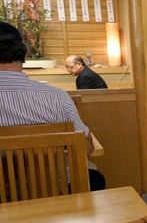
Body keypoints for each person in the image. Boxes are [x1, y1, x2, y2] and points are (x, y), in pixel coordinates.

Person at [0, 22, 105, 190]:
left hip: (4, 196)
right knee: (94, 178)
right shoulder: (57, 97)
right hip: (55, 190)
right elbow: (85, 148)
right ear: (25, 54)